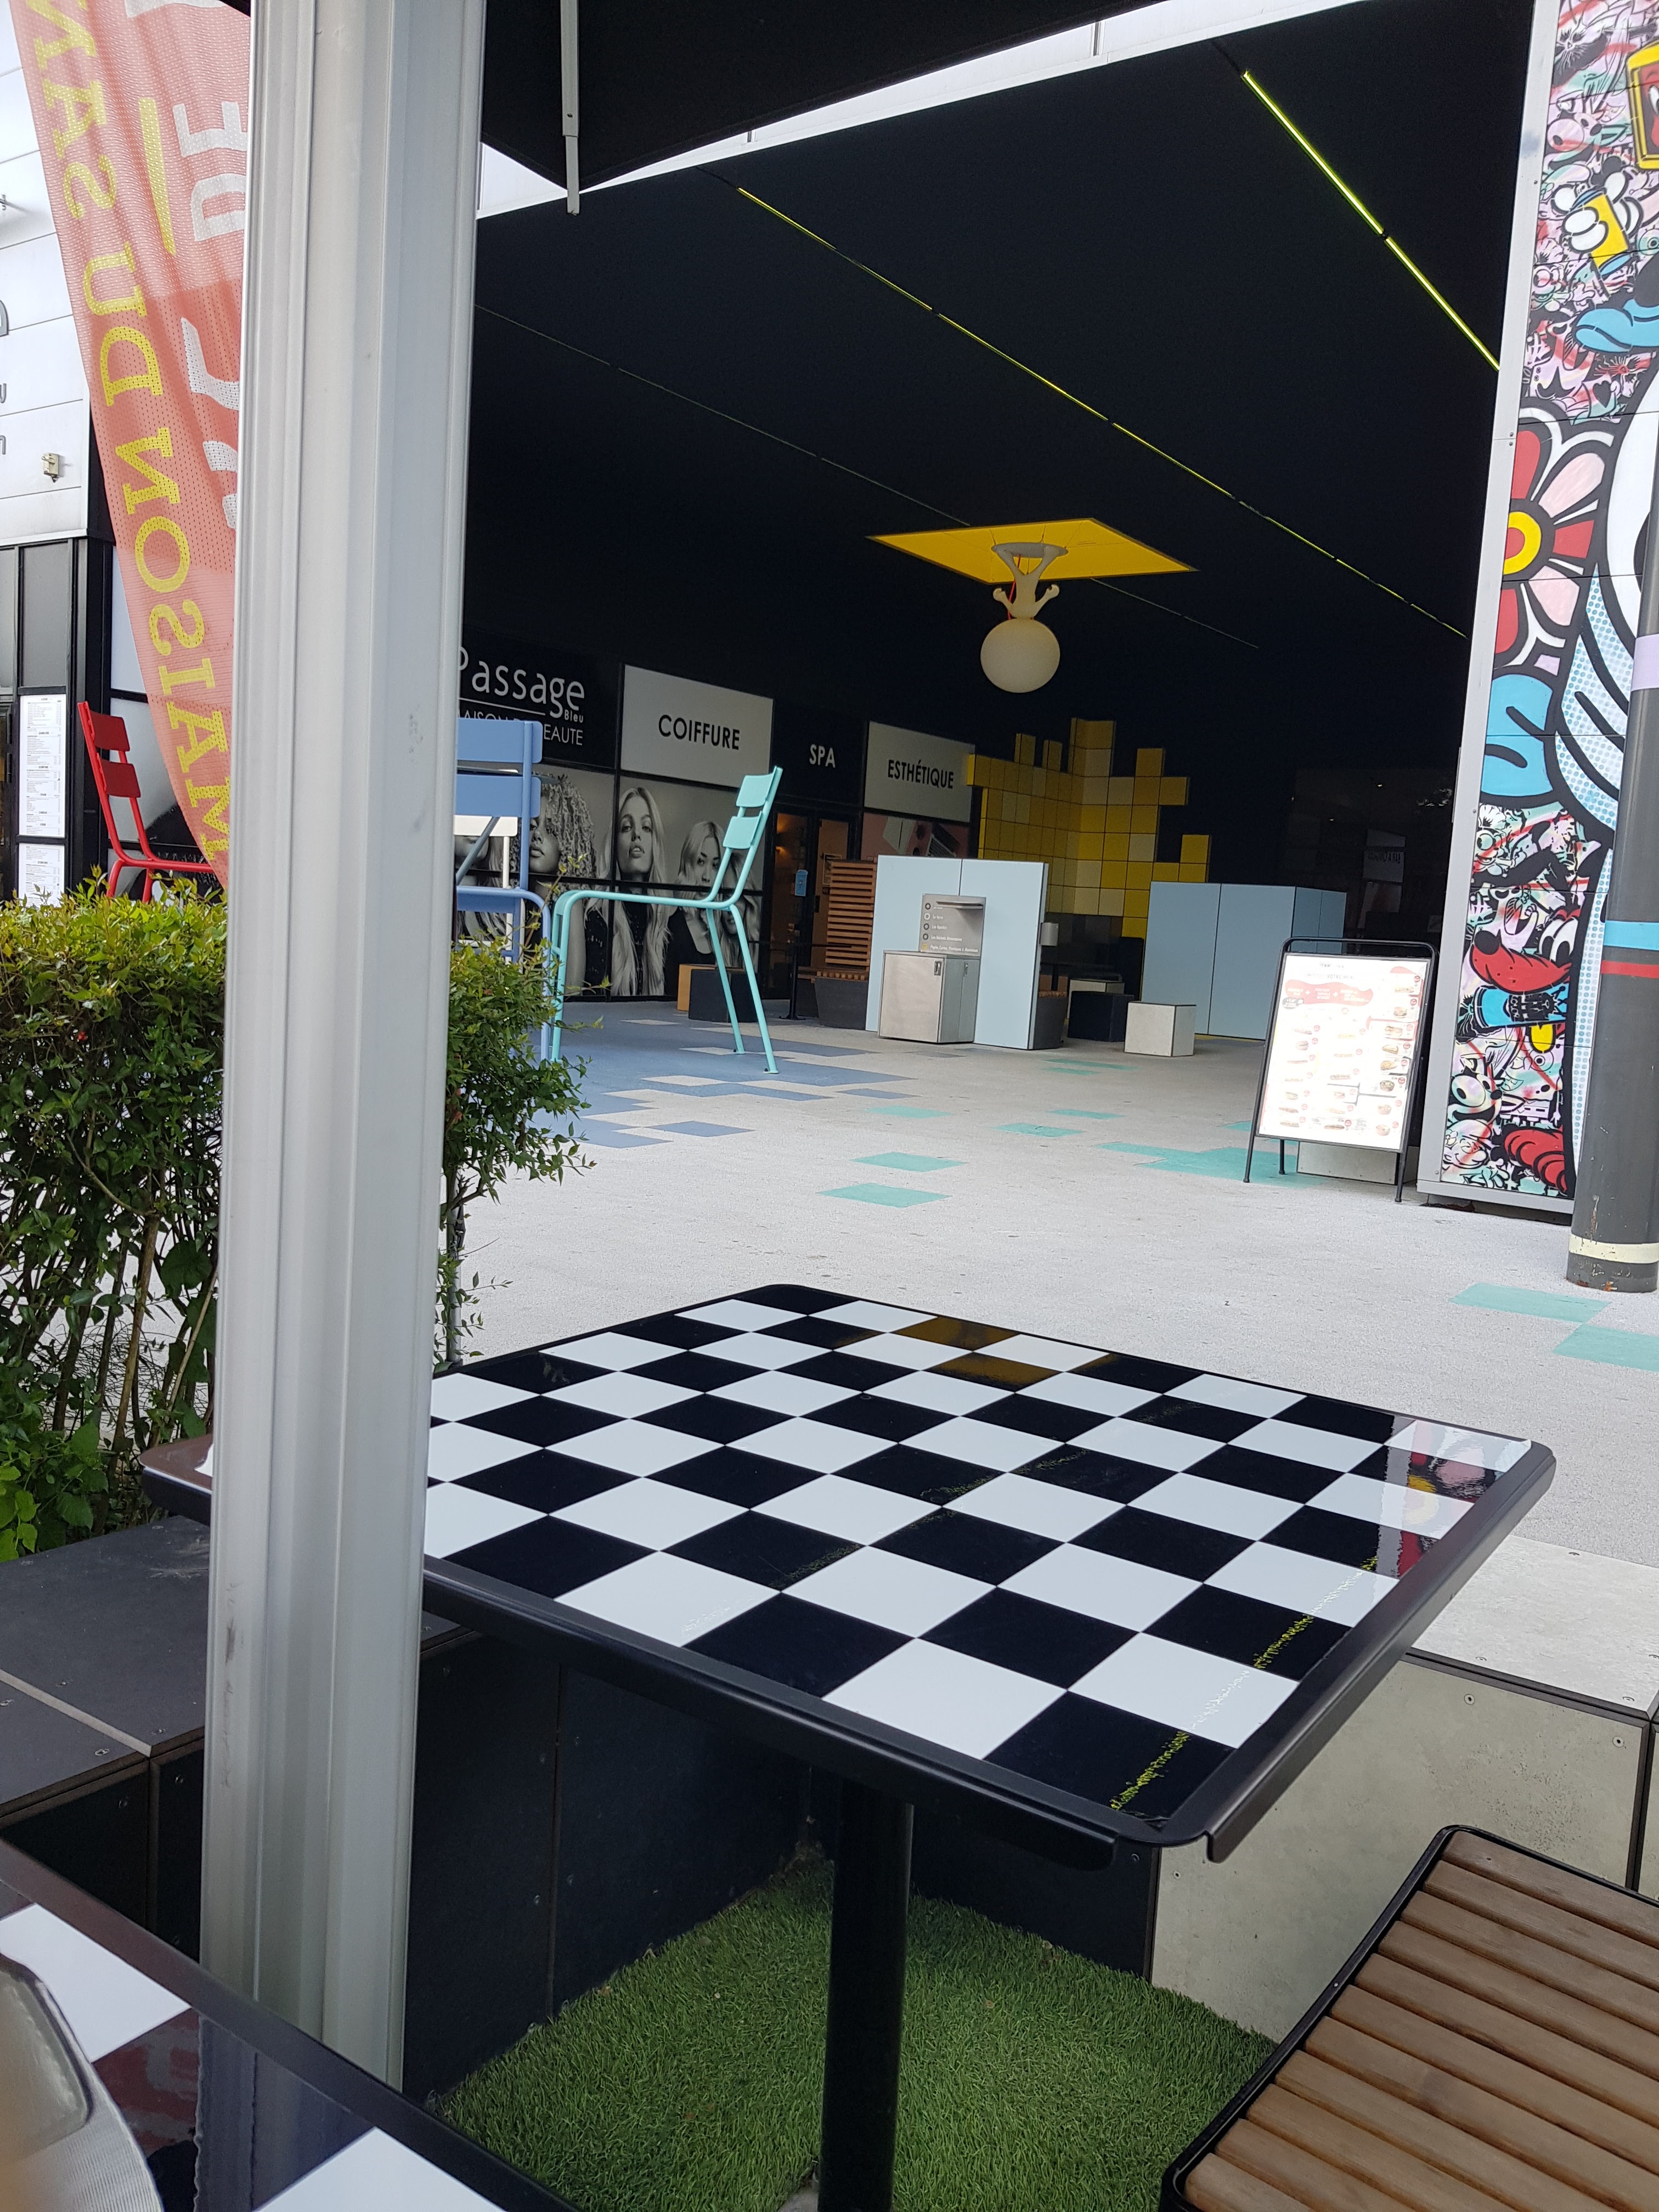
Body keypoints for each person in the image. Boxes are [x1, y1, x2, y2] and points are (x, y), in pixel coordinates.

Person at [610, 783, 670, 996]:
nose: (636, 835)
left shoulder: (667, 923)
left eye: (646, 827)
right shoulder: (599, 918)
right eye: (627, 827)